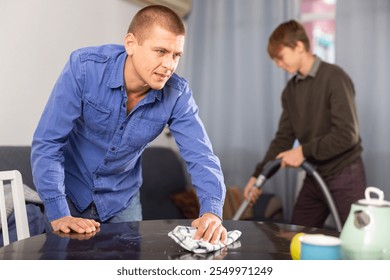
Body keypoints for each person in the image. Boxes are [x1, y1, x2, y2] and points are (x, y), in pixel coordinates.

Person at [31, 5, 227, 244]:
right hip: (69, 193)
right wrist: (58, 212)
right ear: (131, 44)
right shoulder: (84, 68)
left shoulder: (177, 94)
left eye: (176, 55)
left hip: (122, 201)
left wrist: (211, 211)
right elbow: (48, 143)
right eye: (161, 51)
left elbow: (201, 156)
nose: (169, 65)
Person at [244, 19, 366, 228]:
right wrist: (259, 175)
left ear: (299, 46)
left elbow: (347, 136)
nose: (278, 65)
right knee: (296, 237)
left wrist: (302, 152)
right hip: (315, 174)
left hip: (345, 174)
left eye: (280, 57)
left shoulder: (334, 78)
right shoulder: (291, 91)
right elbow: (283, 139)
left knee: (356, 241)